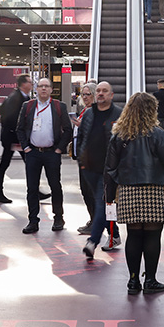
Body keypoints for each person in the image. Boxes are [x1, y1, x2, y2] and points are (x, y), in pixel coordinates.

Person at [104, 92, 164, 294]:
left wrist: (109, 197)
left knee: (133, 235)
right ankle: (150, 280)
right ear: (151, 110)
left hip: (128, 190)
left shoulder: (119, 135)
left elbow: (110, 169)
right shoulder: (157, 133)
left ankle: (133, 281)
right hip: (154, 190)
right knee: (152, 236)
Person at [16, 78, 71, 234]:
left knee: (55, 186)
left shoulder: (59, 106)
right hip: (33, 153)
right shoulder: (28, 106)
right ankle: (33, 221)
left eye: (47, 86)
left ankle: (58, 218)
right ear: (36, 89)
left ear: (51, 89)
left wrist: (59, 149)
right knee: (32, 188)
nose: (44, 89)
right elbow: (20, 128)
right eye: (41, 86)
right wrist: (26, 147)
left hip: (52, 153)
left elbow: (68, 129)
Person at [78, 81, 123, 258]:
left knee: (101, 204)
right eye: (98, 91)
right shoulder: (89, 113)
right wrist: (81, 160)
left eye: (105, 91)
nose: (100, 93)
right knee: (102, 205)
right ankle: (115, 234)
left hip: (108, 170)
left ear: (111, 95)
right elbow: (82, 136)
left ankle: (92, 241)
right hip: (89, 168)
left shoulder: (118, 114)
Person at [0, 74, 34, 204]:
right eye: (29, 82)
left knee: (29, 163)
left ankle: (34, 190)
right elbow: (9, 118)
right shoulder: (15, 98)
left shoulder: (23, 97)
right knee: (6, 164)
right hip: (13, 138)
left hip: (16, 138)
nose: (31, 84)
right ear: (23, 84)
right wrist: (17, 138)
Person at [74, 82, 97, 234]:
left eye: (88, 94)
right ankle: (93, 219)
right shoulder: (85, 110)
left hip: (92, 158)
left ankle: (96, 222)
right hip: (83, 156)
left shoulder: (95, 112)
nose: (85, 97)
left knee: (90, 191)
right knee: (85, 190)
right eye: (83, 94)